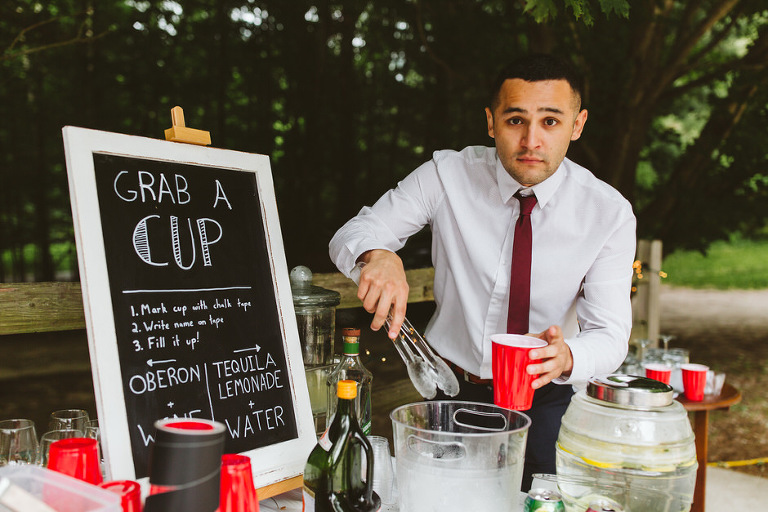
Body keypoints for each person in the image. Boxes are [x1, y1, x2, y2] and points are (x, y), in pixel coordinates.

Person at [329, 54, 636, 489]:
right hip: (450, 393)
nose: (531, 140)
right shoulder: (446, 175)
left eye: (550, 121)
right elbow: (353, 233)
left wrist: (568, 357)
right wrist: (378, 255)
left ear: (577, 125)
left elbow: (610, 335)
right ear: (491, 122)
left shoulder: (608, 213)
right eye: (515, 120)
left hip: (548, 396)